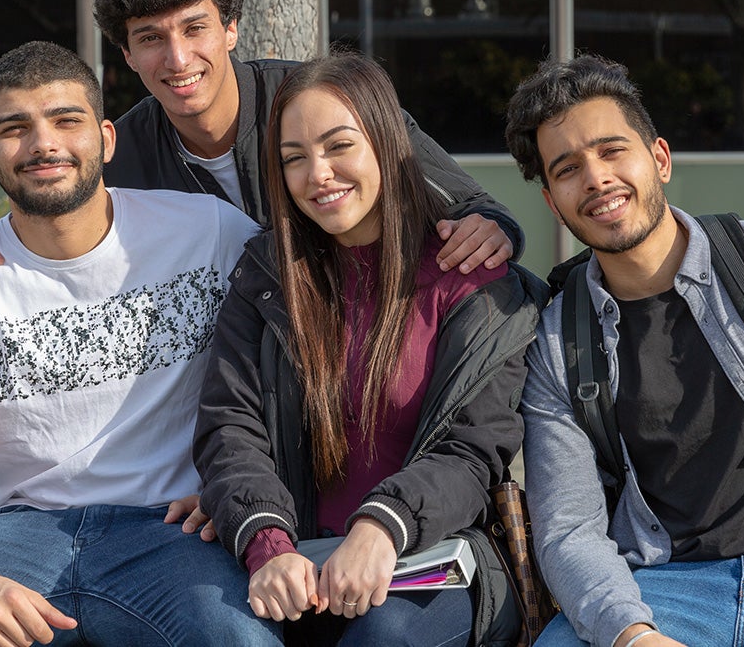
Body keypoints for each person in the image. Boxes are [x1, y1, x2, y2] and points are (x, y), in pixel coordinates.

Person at [0, 40, 277, 647]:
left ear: (107, 139)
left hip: (176, 534)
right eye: (15, 128)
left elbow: (308, 357)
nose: (43, 144)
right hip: (18, 540)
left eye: (66, 120)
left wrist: (238, 491)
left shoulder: (207, 232)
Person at [182, 52, 548, 646]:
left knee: (385, 637)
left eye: (338, 146)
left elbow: (473, 449)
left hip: (432, 561)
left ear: (387, 142)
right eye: (293, 159)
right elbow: (230, 426)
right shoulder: (269, 274)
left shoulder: (476, 280)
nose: (318, 174)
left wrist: (381, 526)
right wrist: (267, 544)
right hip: (295, 560)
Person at [503, 53, 744, 647]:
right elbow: (569, 529)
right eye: (567, 168)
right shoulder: (556, 339)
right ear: (552, 201)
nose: (595, 178)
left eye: (612, 150)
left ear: (660, 159)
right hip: (663, 589)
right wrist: (631, 633)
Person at [0, 0, 521, 279]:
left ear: (231, 28)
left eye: (195, 28)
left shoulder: (319, 102)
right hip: (240, 382)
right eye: (151, 39)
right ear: (127, 55)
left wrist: (491, 230)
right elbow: (47, 207)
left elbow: (474, 206)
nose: (178, 59)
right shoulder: (122, 152)